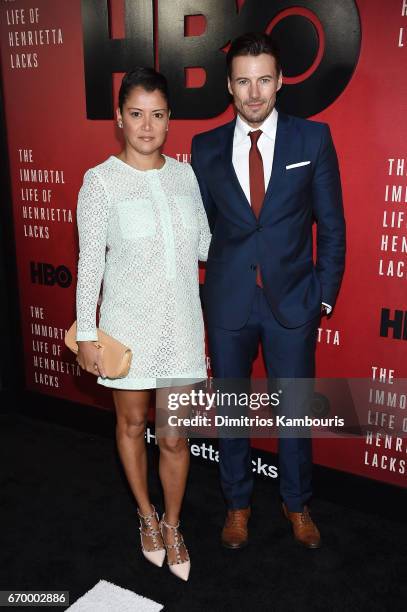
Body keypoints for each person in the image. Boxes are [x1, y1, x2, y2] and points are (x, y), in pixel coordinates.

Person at [191, 32, 345, 550]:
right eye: (242, 81)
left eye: (263, 80)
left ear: (279, 81)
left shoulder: (313, 139)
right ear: (229, 86)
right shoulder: (205, 147)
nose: (254, 93)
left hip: (293, 304)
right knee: (231, 407)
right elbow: (208, 227)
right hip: (230, 301)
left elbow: (333, 225)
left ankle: (296, 503)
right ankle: (237, 503)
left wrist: (322, 296)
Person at [75, 67, 211, 581]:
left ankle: (174, 525)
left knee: (174, 438)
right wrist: (85, 331)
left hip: (180, 329)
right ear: (119, 118)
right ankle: (145, 516)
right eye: (136, 114)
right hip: (127, 329)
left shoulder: (185, 176)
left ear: (170, 120)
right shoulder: (100, 182)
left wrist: (254, 235)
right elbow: (90, 261)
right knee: (132, 425)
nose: (147, 126)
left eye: (157, 115)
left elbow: (204, 247)